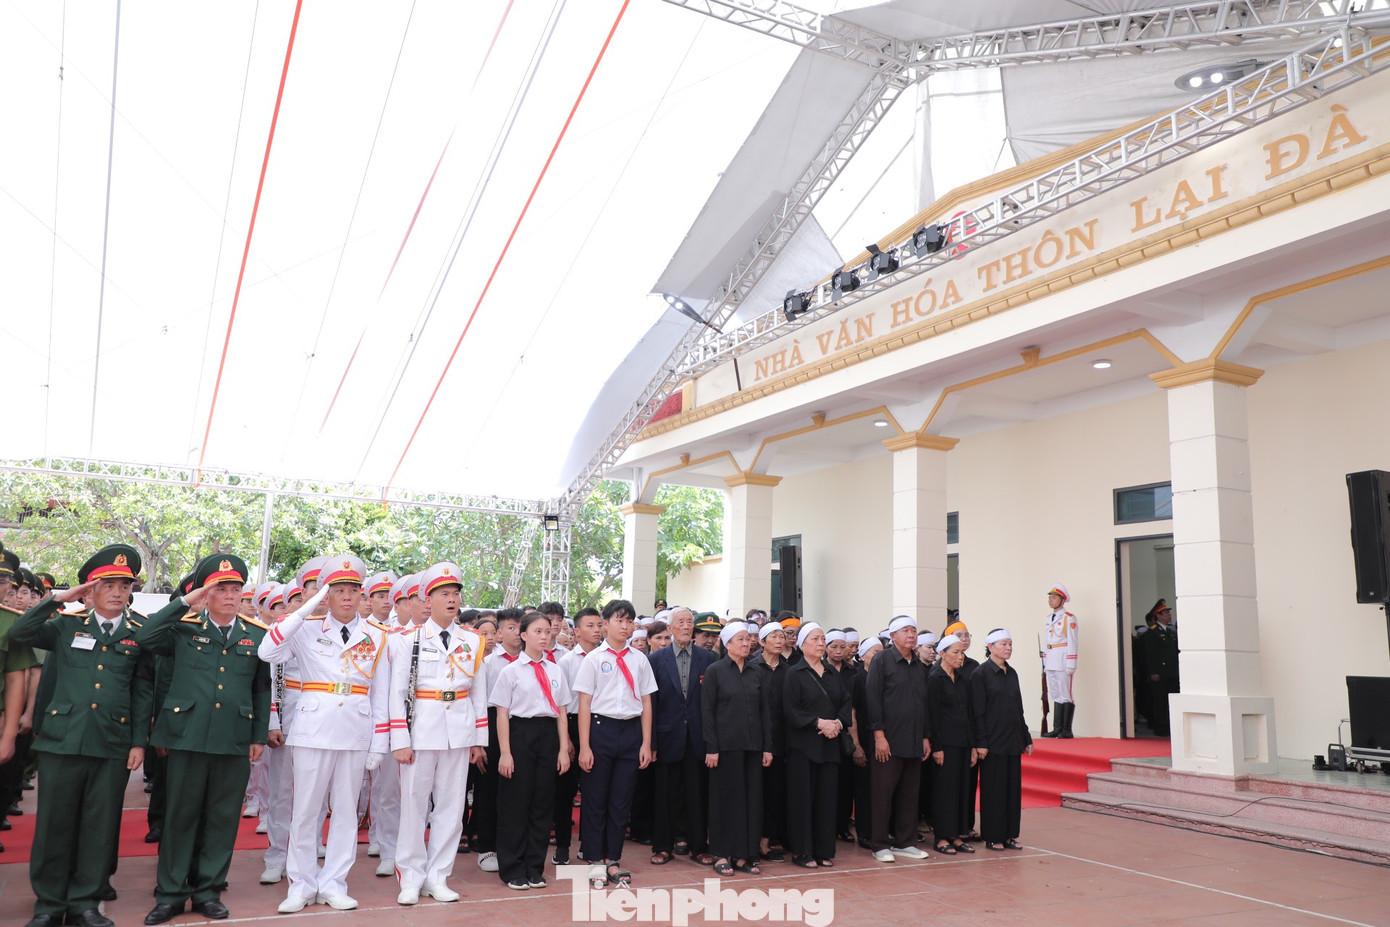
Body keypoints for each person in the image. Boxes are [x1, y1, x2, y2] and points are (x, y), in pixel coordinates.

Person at [12, 544, 152, 927]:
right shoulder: (66, 624)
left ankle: (84, 903)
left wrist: (138, 742)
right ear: (91, 589)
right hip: (63, 740)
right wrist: (59, 599)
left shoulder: (138, 634)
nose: (118, 592)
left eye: (124, 586)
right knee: (53, 824)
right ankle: (48, 904)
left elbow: (142, 692)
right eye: (108, 585)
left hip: (111, 742)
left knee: (98, 826)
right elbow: (21, 632)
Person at [137, 552, 271, 925]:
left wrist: (258, 734)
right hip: (187, 736)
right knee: (180, 817)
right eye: (220, 589)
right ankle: (170, 894)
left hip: (233, 737)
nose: (229, 596)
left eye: (235, 589)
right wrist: (184, 602)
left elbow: (262, 689)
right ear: (206, 594)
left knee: (222, 818)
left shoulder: (255, 635)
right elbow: (144, 637)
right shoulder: (183, 628)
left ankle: (208, 891)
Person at [258, 555, 391, 913]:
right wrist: (306, 608)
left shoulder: (377, 636)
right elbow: (267, 651)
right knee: (305, 811)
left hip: (356, 729)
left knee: (346, 811)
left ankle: (334, 883)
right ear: (327, 595)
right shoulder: (306, 628)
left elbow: (380, 694)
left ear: (361, 595)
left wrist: (379, 742)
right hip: (312, 729)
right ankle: (300, 885)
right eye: (338, 590)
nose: (347, 597)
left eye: (353, 590)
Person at [389, 562, 487, 904]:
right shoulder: (409, 639)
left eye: (455, 593)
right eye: (444, 594)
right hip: (421, 730)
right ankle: (411, 877)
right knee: (414, 806)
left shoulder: (472, 640)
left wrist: (478, 739)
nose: (452, 599)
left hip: (458, 731)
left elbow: (478, 692)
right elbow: (397, 693)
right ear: (427, 600)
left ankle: (438, 876)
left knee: (451, 807)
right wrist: (400, 739)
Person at [573, 599, 657, 888]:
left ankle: (613, 859)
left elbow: (646, 702)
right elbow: (584, 704)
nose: (625, 626)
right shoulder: (594, 659)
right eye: (619, 621)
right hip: (601, 729)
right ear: (605, 624)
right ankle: (595, 858)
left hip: (631, 731)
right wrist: (585, 746)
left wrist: (646, 743)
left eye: (629, 621)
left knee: (621, 800)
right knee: (596, 798)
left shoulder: (640, 659)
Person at [491, 612, 572, 889]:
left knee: (542, 803)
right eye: (538, 631)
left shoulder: (555, 670)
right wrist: (505, 753)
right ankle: (512, 868)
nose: (544, 636)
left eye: (547, 631)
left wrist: (563, 748)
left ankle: (534, 867)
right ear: (524, 635)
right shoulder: (510, 671)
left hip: (548, 735)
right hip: (520, 734)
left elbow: (561, 711)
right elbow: (502, 714)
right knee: (516, 803)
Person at [647, 606, 717, 867]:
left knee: (697, 794)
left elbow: (712, 703)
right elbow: (651, 705)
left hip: (698, 737)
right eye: (681, 622)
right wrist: (652, 742)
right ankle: (663, 847)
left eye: (689, 622)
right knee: (664, 794)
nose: (687, 626)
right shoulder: (656, 660)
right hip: (667, 736)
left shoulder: (708, 658)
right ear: (670, 628)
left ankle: (699, 847)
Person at [701, 621, 772, 876]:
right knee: (725, 801)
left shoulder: (756, 672)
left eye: (747, 638)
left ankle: (745, 854)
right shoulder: (715, 671)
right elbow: (707, 712)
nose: (746, 643)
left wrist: (767, 747)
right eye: (740, 639)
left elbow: (764, 711)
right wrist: (712, 747)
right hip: (725, 747)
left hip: (753, 747)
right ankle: (722, 853)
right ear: (727, 644)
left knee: (751, 801)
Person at [782, 623, 850, 869]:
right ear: (802, 644)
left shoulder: (832, 672)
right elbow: (791, 710)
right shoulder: (794, 673)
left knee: (826, 799)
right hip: (804, 746)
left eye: (822, 639)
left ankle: (823, 850)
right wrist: (818, 722)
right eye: (815, 639)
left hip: (830, 745)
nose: (821, 643)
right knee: (803, 800)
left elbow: (845, 703)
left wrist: (838, 724)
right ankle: (802, 851)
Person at [865, 615, 931, 863]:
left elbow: (923, 704)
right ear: (893, 636)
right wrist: (879, 736)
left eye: (913, 630)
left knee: (909, 794)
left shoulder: (918, 665)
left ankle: (906, 842)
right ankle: (880, 844)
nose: (911, 635)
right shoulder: (882, 660)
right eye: (905, 631)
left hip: (913, 739)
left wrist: (925, 736)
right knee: (883, 794)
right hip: (888, 740)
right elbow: (873, 699)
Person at [970, 629, 1032, 851]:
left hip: (1012, 740)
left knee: (1012, 791)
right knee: (994, 790)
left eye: (1010, 644)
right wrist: (981, 742)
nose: (1008, 648)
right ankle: (993, 835)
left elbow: (1018, 708)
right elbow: (977, 712)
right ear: (990, 647)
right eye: (1004, 644)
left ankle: (1010, 834)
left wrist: (1026, 736)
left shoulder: (1012, 673)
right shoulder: (981, 674)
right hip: (992, 742)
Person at [472, 607, 523, 874]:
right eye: (511, 628)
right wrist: (479, 742)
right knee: (489, 789)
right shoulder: (488, 663)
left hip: (520, 725)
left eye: (520, 627)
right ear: (500, 633)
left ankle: (511, 846)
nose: (516, 632)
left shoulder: (530, 662)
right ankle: (486, 847)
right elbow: (478, 702)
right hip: (492, 723)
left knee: (517, 790)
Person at [552, 607, 603, 864]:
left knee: (595, 792)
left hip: (600, 725)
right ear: (577, 631)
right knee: (566, 790)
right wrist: (567, 740)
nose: (596, 630)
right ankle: (562, 845)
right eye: (590, 626)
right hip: (571, 724)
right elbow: (560, 704)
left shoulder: (608, 658)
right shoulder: (567, 662)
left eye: (599, 625)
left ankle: (589, 844)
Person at [927, 633, 975, 855]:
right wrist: (937, 747)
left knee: (960, 789)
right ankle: (941, 837)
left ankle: (955, 834)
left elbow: (969, 713)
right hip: (945, 745)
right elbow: (932, 716)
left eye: (961, 652)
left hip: (963, 743)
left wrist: (972, 745)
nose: (960, 656)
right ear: (942, 654)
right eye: (955, 652)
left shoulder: (962, 678)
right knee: (944, 790)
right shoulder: (935, 678)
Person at [748, 620, 789, 860]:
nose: (779, 640)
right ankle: (751, 839)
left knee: (775, 792)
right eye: (773, 636)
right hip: (756, 739)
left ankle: (768, 839)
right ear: (762, 642)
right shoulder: (752, 668)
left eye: (781, 636)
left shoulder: (789, 670)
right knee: (755, 792)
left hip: (781, 740)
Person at [849, 636, 881, 849]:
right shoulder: (857, 679)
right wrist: (857, 746)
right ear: (862, 656)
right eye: (874, 652)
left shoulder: (884, 677)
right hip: (864, 740)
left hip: (881, 742)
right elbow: (851, 715)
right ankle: (865, 833)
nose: (878, 656)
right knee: (864, 790)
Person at [1040, 584, 1078, 738]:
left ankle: (1066, 730)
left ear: (1062, 600)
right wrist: (1045, 660)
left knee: (1065, 694)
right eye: (1050, 597)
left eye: (1054, 597)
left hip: (1063, 659)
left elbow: (1073, 641)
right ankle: (1057, 728)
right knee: (1055, 693)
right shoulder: (1049, 618)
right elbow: (1047, 641)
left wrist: (1071, 662)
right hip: (1051, 659)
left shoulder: (1069, 618)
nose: (1051, 600)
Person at [1143, 603, 1180, 736]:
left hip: (1172, 672)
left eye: (1169, 612)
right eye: (1166, 613)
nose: (1169, 615)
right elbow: (1151, 654)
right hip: (1160, 673)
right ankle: (1160, 727)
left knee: (1171, 700)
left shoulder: (1170, 631)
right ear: (1158, 616)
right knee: (1160, 700)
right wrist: (1154, 672)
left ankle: (1170, 725)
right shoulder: (1153, 633)